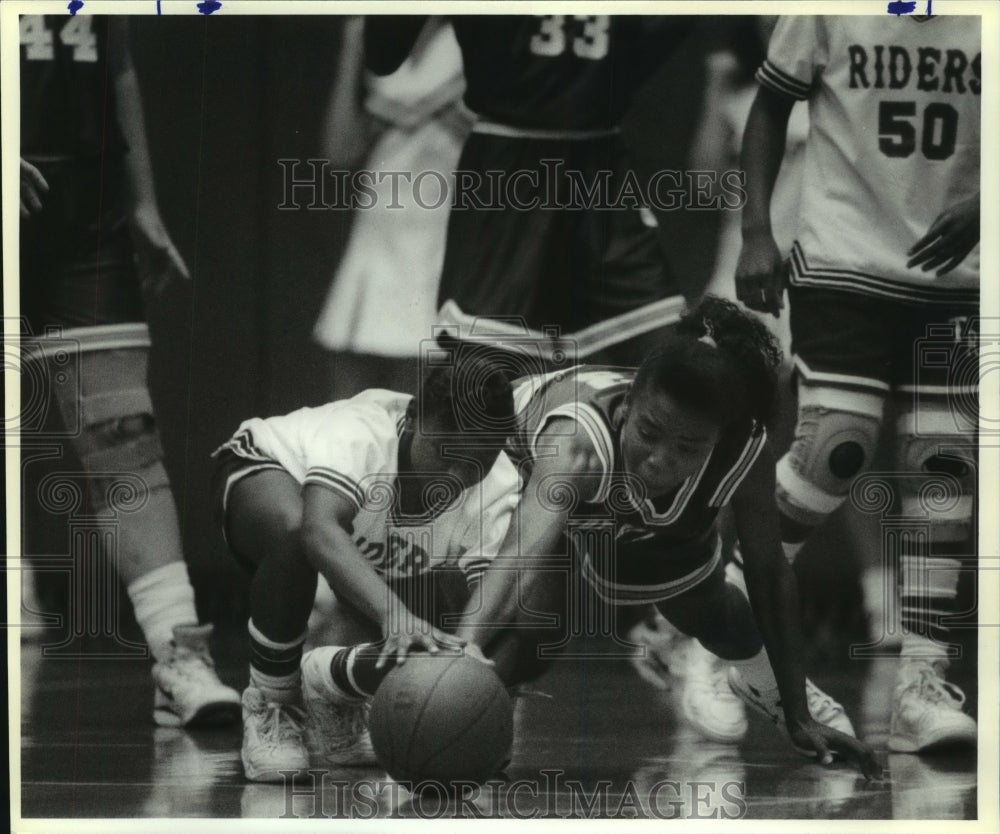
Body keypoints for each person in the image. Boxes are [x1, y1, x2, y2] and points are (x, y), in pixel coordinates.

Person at [299, 297, 882, 779]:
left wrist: (800, 712)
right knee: (533, 634)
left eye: (687, 448)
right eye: (650, 432)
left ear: (721, 437)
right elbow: (520, 553)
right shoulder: (574, 443)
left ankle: (774, 693)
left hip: (611, 505)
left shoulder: (743, 447)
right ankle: (342, 679)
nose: (660, 460)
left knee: (713, 612)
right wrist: (462, 653)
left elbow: (769, 571)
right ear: (628, 405)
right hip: (504, 483)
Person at [735, 15, 980, 754]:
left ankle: (920, 681)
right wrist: (755, 230)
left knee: (946, 462)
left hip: (956, 270)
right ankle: (723, 612)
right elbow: (770, 106)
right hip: (845, 255)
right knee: (837, 444)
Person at [18, 13, 239, 728]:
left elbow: (117, 62)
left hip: (85, 202)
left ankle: (179, 655)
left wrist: (142, 198)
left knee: (123, 438)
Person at [212, 350, 520, 782]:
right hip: (270, 473)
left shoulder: (500, 485)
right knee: (296, 531)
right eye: (444, 453)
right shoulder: (363, 432)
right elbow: (319, 531)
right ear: (414, 418)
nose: (455, 476)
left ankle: (331, 684)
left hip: (364, 538)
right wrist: (395, 614)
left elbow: (492, 600)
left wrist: (471, 684)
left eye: (476, 463)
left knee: (447, 641)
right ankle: (274, 702)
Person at [363, 15, 699, 365]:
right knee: (486, 384)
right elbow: (382, 55)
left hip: (597, 161)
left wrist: (613, 78)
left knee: (669, 365)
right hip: (510, 162)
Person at [312, 17, 472, 400]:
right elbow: (338, 153)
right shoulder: (372, 32)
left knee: (419, 419)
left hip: (443, 241)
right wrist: (353, 47)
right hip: (376, 239)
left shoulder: (479, 32)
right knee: (347, 413)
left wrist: (433, 112)